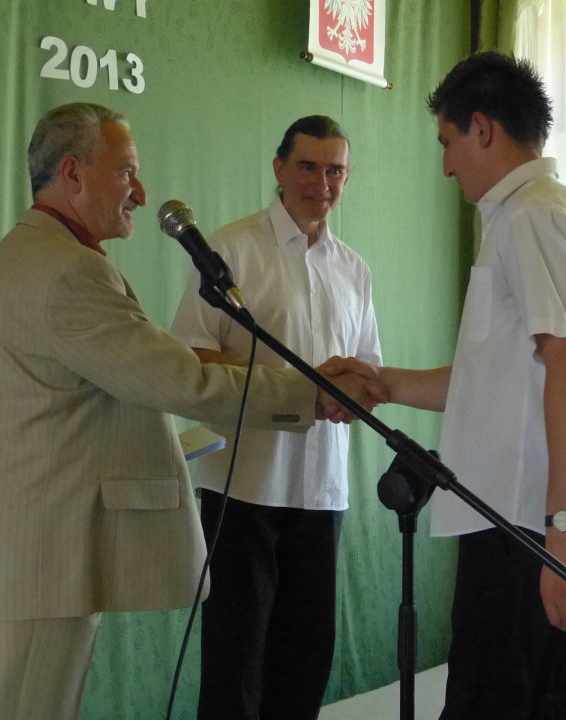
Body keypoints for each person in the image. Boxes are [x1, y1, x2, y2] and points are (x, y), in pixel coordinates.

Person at [0, 102, 382, 720]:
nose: (142, 194)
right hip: (38, 566)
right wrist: (310, 393)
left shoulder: (35, 255)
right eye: (126, 172)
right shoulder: (67, 272)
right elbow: (182, 376)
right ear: (72, 173)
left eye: (337, 170)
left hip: (28, 562)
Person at [333, 51, 566, 718]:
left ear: (482, 129)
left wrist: (564, 526)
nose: (445, 165)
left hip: (525, 524)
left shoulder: (533, 215)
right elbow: (496, 383)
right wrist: (382, 383)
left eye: (447, 141)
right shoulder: (534, 212)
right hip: (521, 521)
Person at [170, 115, 381, 720]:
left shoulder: (354, 270)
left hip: (322, 493)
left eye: (335, 170)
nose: (322, 182)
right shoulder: (228, 250)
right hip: (245, 487)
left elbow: (367, 372)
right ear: (279, 169)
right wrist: (294, 391)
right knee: (235, 666)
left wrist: (350, 395)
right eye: (308, 167)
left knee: (305, 662)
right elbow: (192, 357)